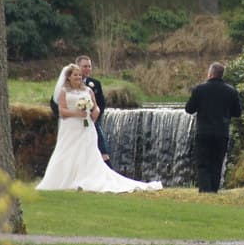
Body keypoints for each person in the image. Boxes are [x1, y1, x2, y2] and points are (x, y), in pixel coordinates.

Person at [37, 63, 162, 193]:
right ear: (68, 77)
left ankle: (86, 177)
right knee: (67, 151)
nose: (78, 77)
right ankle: (65, 179)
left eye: (79, 75)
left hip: (86, 127)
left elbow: (95, 106)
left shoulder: (88, 90)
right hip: (70, 127)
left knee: (87, 151)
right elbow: (62, 111)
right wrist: (77, 114)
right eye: (75, 75)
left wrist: (94, 112)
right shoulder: (64, 91)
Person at [184, 62, 242, 193]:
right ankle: (214, 190)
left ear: (210, 74)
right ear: (222, 75)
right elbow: (237, 112)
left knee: (203, 163)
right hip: (222, 132)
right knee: (217, 163)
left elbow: (189, 109)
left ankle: (205, 190)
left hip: (204, 132)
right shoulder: (231, 91)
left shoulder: (199, 89)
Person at [76, 55, 112, 166]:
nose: (88, 69)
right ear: (77, 67)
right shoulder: (68, 84)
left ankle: (107, 170)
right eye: (84, 66)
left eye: (89, 66)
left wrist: (96, 116)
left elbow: (101, 104)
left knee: (102, 147)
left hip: (92, 122)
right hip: (74, 122)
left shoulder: (95, 84)